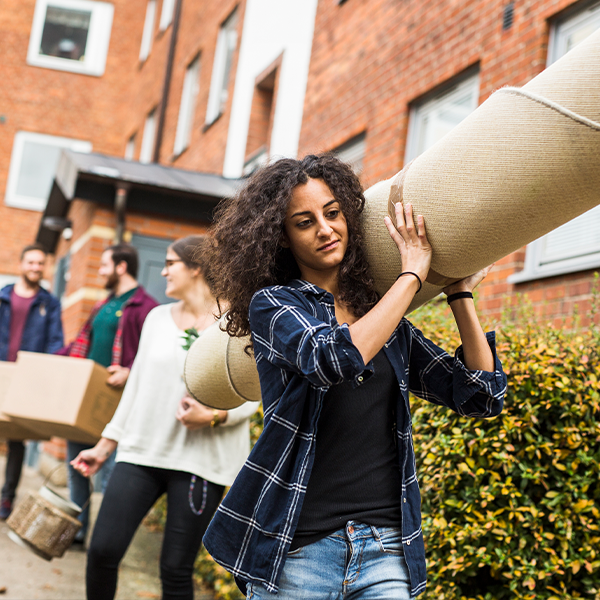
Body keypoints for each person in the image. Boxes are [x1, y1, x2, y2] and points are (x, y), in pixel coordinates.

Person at [202, 154, 508, 599]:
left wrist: (458, 291)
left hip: (385, 549)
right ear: (282, 238)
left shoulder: (383, 321)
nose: (326, 230)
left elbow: (480, 396)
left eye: (332, 213)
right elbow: (334, 359)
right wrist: (412, 275)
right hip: (300, 549)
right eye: (304, 222)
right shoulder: (274, 306)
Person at [71, 235, 259, 600]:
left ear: (195, 268)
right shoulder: (157, 318)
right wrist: (105, 445)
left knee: (175, 569)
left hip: (199, 463)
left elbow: (254, 393)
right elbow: (136, 387)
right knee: (102, 552)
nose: (163, 271)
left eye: (171, 263)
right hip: (143, 451)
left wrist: (216, 415)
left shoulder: (237, 320)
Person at [59, 243, 158, 542]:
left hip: (117, 405)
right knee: (77, 467)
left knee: (111, 475)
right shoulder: (102, 305)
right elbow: (80, 342)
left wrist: (128, 370)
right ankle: (77, 534)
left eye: (104, 265)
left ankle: (105, 536)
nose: (100, 271)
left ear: (121, 267)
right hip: (85, 399)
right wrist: (42, 359)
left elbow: (153, 355)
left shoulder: (146, 307)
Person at [0, 243, 64, 519]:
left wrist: (43, 372)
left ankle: (6, 499)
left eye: (41, 263)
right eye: (31, 263)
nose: (36, 267)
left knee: (16, 441)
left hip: (26, 378)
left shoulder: (49, 303)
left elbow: (55, 342)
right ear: (21, 264)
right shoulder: (2, 297)